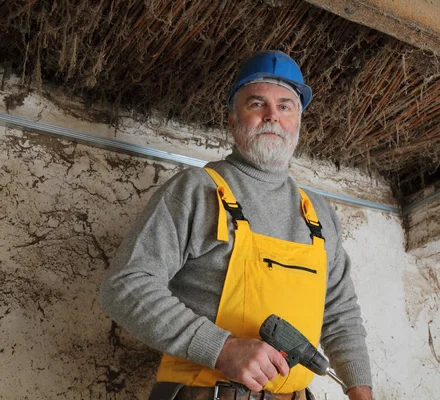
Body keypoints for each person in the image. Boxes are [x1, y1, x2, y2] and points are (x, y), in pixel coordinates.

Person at [100, 50, 373, 400]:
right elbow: (124, 286)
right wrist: (223, 349)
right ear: (233, 121)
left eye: (285, 106)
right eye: (257, 104)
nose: (272, 116)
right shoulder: (197, 190)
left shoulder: (318, 213)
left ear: (298, 124)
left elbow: (340, 313)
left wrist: (361, 393)